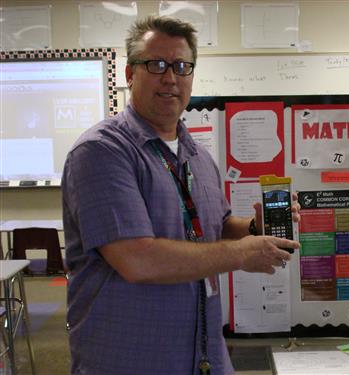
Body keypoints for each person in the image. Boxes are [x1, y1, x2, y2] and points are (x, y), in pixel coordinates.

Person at [62, 15, 300, 375]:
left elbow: (213, 226)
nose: (170, 77)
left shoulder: (197, 155)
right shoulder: (101, 152)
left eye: (181, 66)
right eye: (156, 65)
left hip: (203, 354)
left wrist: (252, 228)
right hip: (127, 360)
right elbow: (137, 260)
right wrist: (241, 254)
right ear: (129, 74)